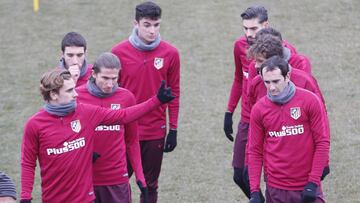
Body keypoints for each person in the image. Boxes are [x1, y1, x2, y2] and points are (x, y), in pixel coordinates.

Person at [20, 69, 174, 203]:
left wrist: (156, 101)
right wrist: (26, 197)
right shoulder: (35, 125)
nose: (75, 94)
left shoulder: (86, 112)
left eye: (74, 89)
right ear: (53, 94)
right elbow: (28, 163)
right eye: (69, 91)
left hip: (85, 199)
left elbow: (123, 115)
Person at [111, 2, 180, 202]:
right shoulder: (118, 52)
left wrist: (173, 129)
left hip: (154, 131)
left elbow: (174, 92)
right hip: (124, 131)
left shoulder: (171, 53)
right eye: (147, 25)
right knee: (118, 183)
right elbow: (110, 94)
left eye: (156, 25)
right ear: (136, 23)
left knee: (150, 186)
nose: (152, 30)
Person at [247, 56, 329, 203]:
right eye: (267, 82)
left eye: (276, 81)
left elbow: (322, 143)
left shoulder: (309, 101)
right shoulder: (259, 109)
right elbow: (254, 150)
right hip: (276, 189)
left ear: (288, 76)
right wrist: (254, 191)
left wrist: (313, 182)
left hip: (307, 186)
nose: (271, 87)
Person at [76, 52, 148, 203]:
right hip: (85, 179)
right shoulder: (77, 97)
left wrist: (140, 177)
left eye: (114, 79)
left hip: (116, 180)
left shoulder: (127, 97)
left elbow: (132, 140)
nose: (110, 84)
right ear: (94, 74)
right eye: (105, 78)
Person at [223, 5, 274, 200]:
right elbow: (238, 78)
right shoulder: (239, 46)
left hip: (271, 121)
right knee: (239, 175)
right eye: (245, 28)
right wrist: (229, 112)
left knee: (269, 177)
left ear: (266, 25)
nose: (248, 34)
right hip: (247, 119)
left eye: (253, 29)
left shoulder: (281, 50)